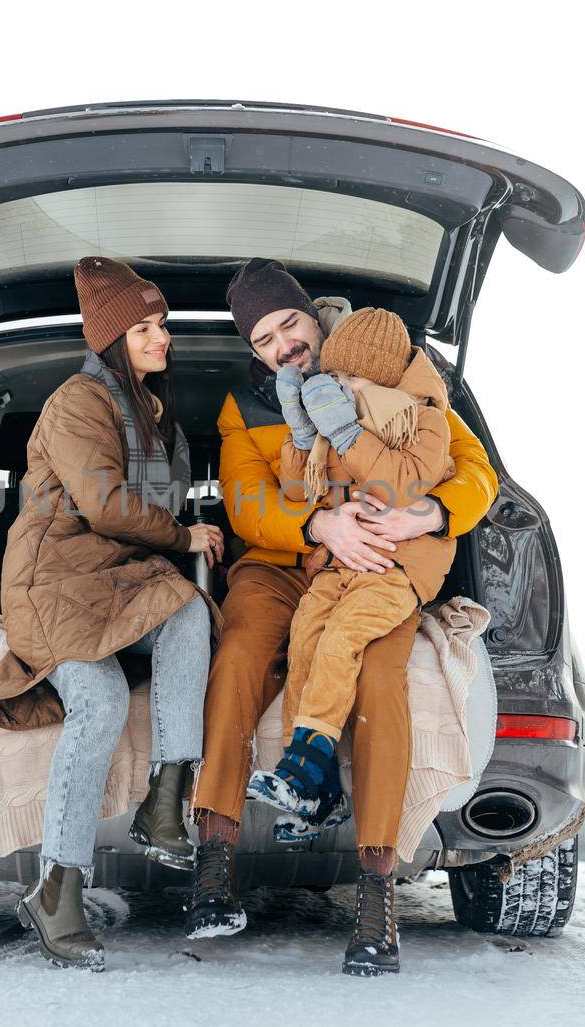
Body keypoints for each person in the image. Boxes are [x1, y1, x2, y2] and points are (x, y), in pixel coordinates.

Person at [186, 258, 498, 977]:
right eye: (264, 338)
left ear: (312, 317)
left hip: (378, 560)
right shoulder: (248, 405)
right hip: (280, 561)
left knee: (383, 674)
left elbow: (473, 465)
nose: (283, 344)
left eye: (290, 323)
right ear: (253, 350)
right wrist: (322, 525)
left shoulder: (381, 370)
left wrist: (432, 511)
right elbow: (245, 504)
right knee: (236, 655)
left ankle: (377, 889)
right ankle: (214, 855)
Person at [0, 256, 224, 972]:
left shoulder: (154, 412)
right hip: (54, 582)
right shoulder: (78, 401)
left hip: (114, 579)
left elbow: (159, 506)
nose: (161, 338)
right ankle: (56, 891)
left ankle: (166, 798)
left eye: (162, 324)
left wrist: (192, 536)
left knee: (187, 611)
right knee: (102, 701)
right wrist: (183, 537)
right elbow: (106, 507)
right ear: (112, 337)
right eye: (144, 328)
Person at [248, 307, 456, 830]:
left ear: (382, 374)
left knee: (342, 637)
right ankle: (316, 796)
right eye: (335, 377)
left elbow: (404, 482)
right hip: (342, 563)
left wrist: (345, 434)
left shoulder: (422, 418)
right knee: (306, 636)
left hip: (396, 566)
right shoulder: (350, 418)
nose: (341, 386)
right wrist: (301, 435)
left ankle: (304, 767)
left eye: (351, 377)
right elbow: (301, 493)